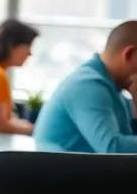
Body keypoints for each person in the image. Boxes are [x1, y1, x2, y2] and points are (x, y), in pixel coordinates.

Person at [35, 20, 137, 154]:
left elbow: (128, 140)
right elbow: (112, 148)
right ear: (129, 54)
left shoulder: (114, 89)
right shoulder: (88, 85)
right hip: (62, 173)